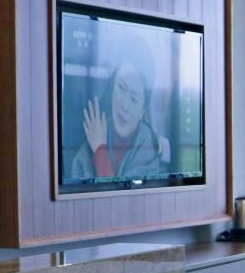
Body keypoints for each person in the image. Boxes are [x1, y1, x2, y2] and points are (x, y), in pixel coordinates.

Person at [69, 41, 170, 182]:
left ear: (143, 111)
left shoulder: (149, 150)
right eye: (121, 88)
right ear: (112, 88)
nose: (124, 105)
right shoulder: (93, 136)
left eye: (134, 99)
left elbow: (122, 191)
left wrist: (99, 150)